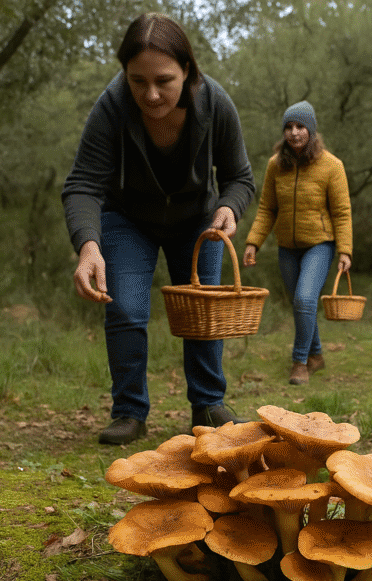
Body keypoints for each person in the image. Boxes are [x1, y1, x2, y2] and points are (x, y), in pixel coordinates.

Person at [62, 13, 256, 445]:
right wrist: (88, 245)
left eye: (164, 80)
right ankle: (129, 411)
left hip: (198, 220)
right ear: (125, 75)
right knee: (126, 309)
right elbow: (83, 185)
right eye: (138, 81)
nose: (150, 94)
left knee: (203, 311)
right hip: (128, 219)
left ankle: (208, 404)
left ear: (186, 70)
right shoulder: (111, 107)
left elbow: (240, 178)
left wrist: (229, 207)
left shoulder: (215, 104)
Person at [242, 101, 353, 385]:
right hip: (287, 246)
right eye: (289, 127)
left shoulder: (332, 165)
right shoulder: (275, 165)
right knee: (299, 304)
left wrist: (344, 250)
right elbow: (267, 207)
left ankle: (300, 361)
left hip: (320, 243)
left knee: (305, 299)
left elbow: (342, 212)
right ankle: (316, 355)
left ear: (311, 130)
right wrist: (253, 242)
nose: (294, 133)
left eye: (300, 127)